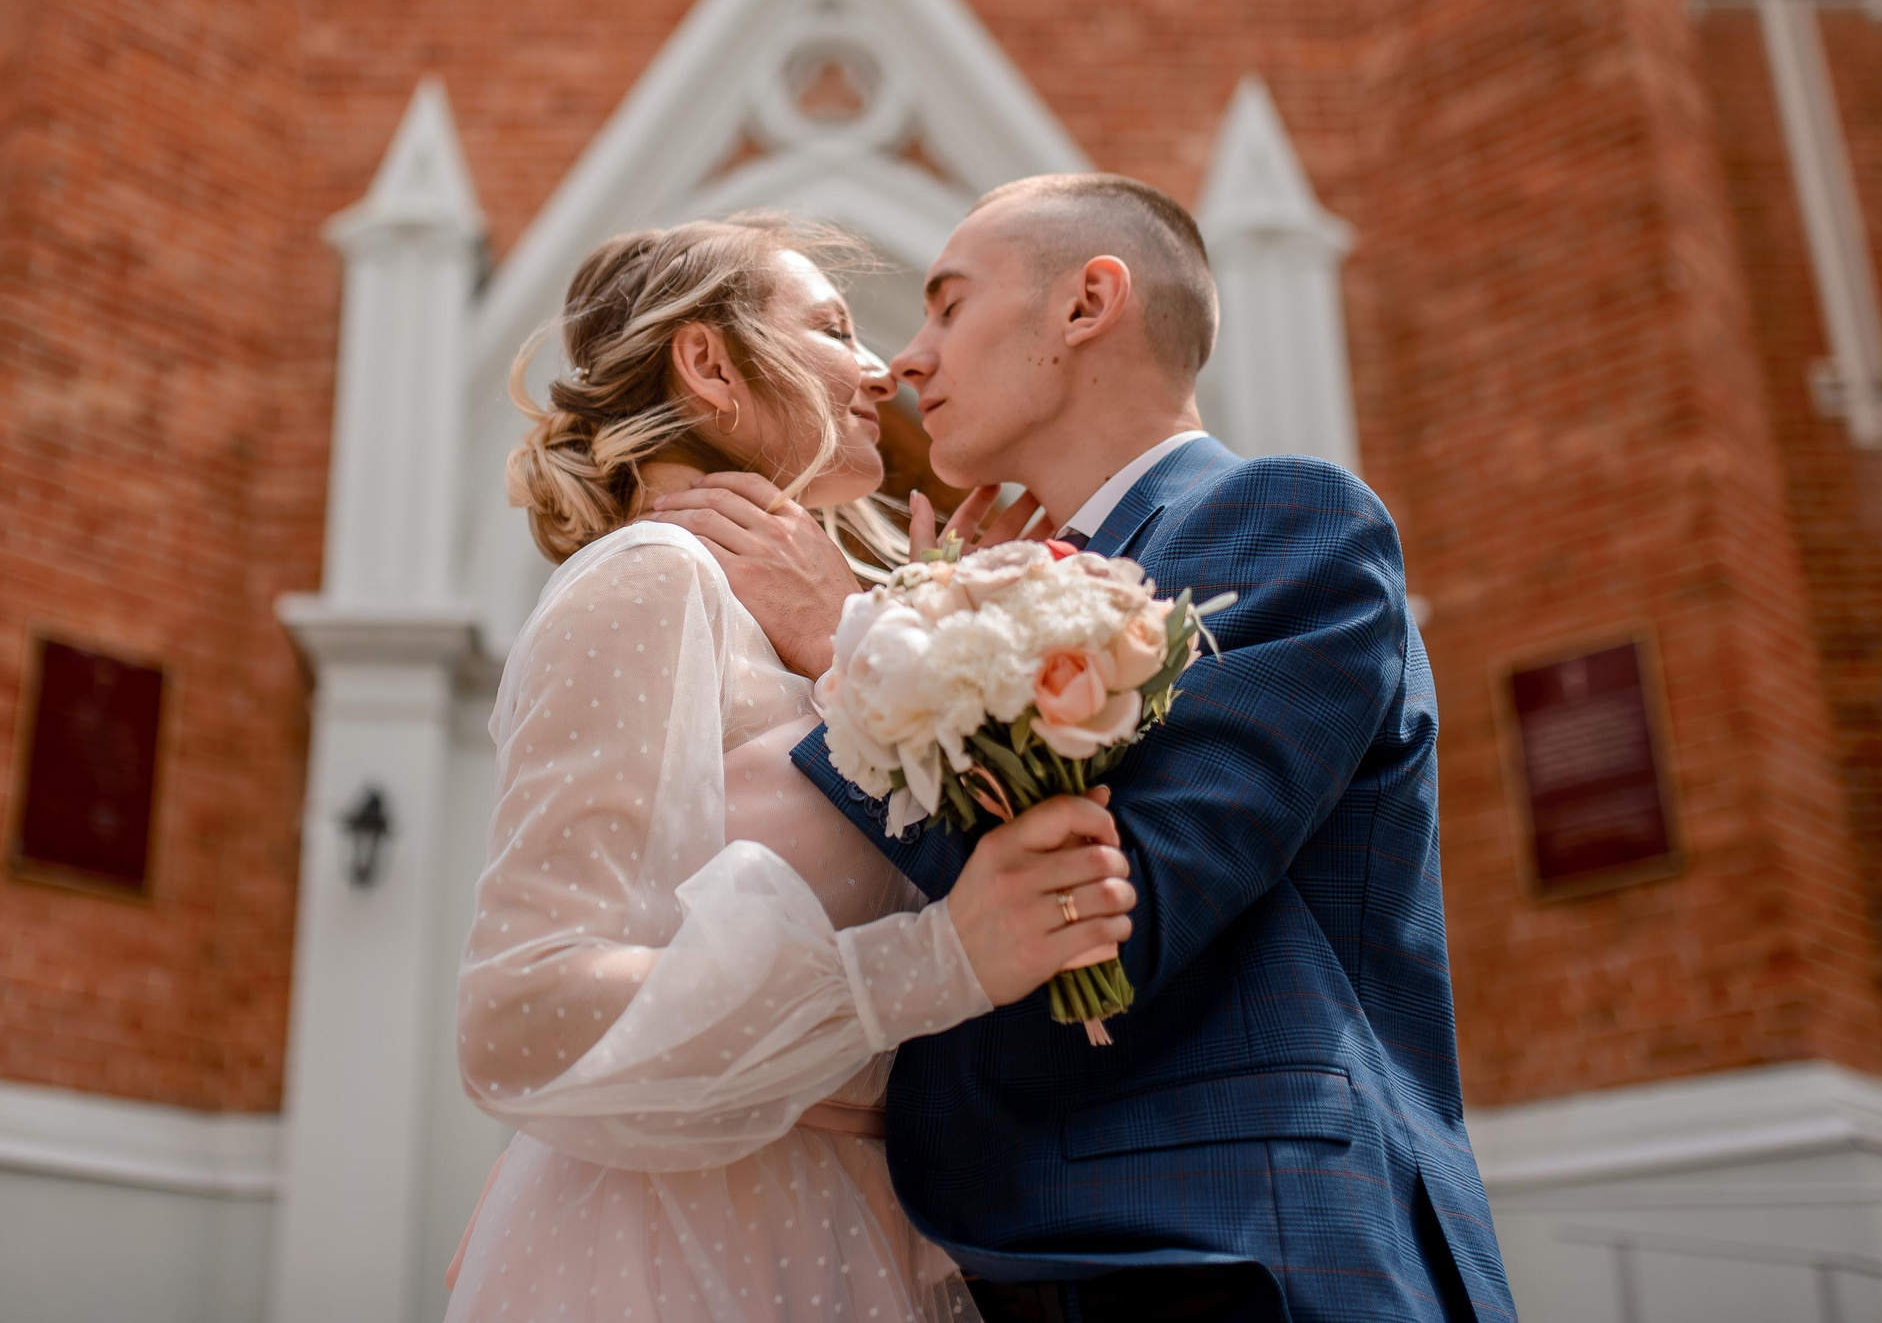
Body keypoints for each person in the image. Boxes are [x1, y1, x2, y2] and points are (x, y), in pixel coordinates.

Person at [651, 176, 1518, 1323]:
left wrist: (847, 643)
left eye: (948, 307)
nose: (906, 361)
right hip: (999, 1255)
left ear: (1085, 305)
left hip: (1232, 1248)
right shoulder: (1006, 582)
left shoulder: (1285, 521)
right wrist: (926, 627)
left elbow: (1119, 902)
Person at [447, 213, 1135, 1323]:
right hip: (678, 1240)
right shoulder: (652, 577)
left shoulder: (780, 612)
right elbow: (522, 1013)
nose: (878, 370)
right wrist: (936, 960)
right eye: (831, 327)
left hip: (835, 1221)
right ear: (709, 361)